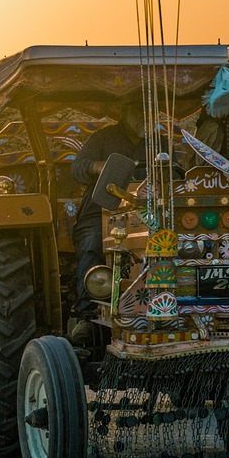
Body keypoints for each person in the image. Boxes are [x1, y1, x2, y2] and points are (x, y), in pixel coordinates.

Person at [69, 97, 147, 336]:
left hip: (146, 211)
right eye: (138, 110)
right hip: (101, 209)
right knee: (93, 242)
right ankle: (86, 314)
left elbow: (177, 170)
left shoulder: (158, 143)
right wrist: (99, 166)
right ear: (124, 111)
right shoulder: (103, 138)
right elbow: (77, 168)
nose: (144, 116)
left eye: (149, 110)